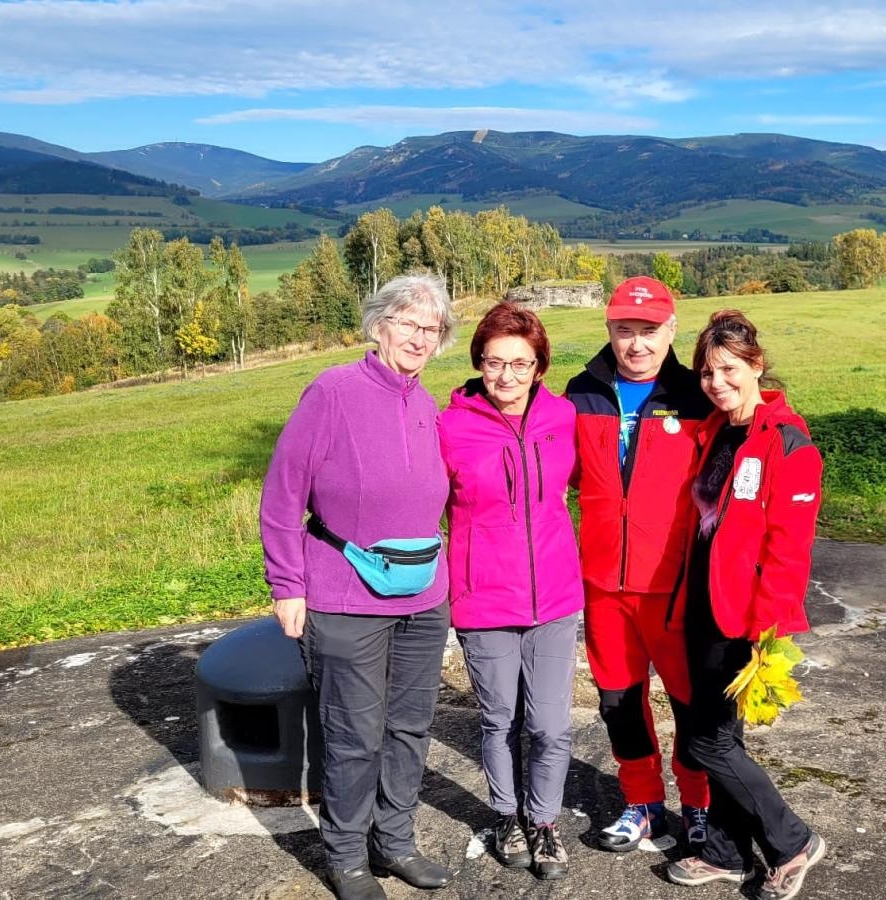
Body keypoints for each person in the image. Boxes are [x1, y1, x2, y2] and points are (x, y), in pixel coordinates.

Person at [259, 274, 458, 900]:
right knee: (352, 733)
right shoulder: (333, 392)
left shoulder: (426, 402)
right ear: (378, 326)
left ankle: (393, 842)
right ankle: (346, 858)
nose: (419, 338)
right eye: (407, 323)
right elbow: (282, 493)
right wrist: (288, 584)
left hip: (424, 598)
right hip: (346, 596)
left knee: (409, 726)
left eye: (431, 329)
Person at [666, 309, 828, 900]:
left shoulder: (787, 442)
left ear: (756, 365)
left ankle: (792, 842)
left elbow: (790, 548)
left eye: (729, 369)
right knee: (717, 738)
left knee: (706, 742)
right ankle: (727, 853)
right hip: (702, 609)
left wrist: (767, 631)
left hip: (745, 621)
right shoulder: (714, 430)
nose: (717, 382)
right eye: (708, 371)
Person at [565, 276, 714, 852]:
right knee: (619, 703)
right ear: (609, 329)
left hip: (672, 584)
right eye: (625, 330)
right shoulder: (582, 392)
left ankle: (698, 804)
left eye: (649, 332)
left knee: (688, 702)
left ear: (671, 331)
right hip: (603, 584)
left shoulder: (696, 396)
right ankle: (642, 802)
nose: (637, 344)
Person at [437, 303, 582, 881]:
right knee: (499, 720)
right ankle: (506, 815)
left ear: (540, 366)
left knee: (550, 724)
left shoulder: (563, 417)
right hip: (483, 597)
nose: (507, 376)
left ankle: (543, 821)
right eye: (495, 362)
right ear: (478, 362)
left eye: (521, 363)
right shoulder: (449, 425)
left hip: (554, 595)